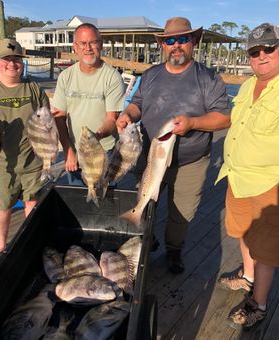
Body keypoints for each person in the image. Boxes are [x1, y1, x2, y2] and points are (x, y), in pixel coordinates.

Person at [116, 17, 230, 274]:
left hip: (191, 161)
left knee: (182, 212)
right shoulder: (151, 75)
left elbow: (224, 118)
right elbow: (138, 104)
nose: (176, 45)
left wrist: (193, 122)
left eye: (182, 39)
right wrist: (128, 115)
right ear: (163, 45)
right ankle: (146, 239)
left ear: (193, 42)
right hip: (152, 156)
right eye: (170, 40)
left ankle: (174, 249)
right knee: (146, 201)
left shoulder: (209, 79)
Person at [216, 22, 279, 330]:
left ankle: (260, 303)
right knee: (243, 233)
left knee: (266, 246)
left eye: (269, 48)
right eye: (255, 52)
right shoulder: (245, 85)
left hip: (269, 184)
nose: (261, 56)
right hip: (237, 177)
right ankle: (248, 277)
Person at [0, 38, 50, 265]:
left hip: (31, 158)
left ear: (22, 62)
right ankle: (1, 246)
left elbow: (46, 119)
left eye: (16, 59)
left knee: (32, 202)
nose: (12, 64)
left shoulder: (34, 89)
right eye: (7, 60)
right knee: (1, 206)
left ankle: (32, 241)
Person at [51, 23, 125, 178]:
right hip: (75, 151)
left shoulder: (112, 77)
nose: (88, 48)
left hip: (104, 150)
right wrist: (68, 150)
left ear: (101, 45)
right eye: (83, 43)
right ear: (75, 47)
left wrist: (96, 136)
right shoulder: (66, 76)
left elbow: (112, 119)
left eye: (93, 42)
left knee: (104, 195)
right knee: (76, 200)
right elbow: (59, 116)